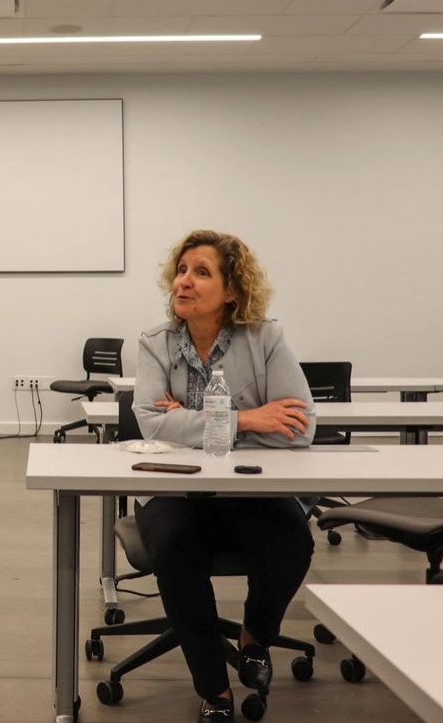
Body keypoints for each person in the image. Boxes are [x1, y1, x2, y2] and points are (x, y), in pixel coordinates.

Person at [132, 229, 315, 722]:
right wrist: (249, 419)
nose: (183, 282)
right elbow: (152, 423)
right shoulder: (156, 344)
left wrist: (188, 421)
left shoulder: (264, 339)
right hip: (175, 491)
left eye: (201, 272)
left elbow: (299, 428)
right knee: (174, 547)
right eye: (182, 270)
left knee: (292, 537)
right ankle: (215, 692)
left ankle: (256, 637)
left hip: (248, 489)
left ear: (231, 290)